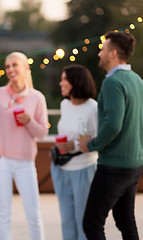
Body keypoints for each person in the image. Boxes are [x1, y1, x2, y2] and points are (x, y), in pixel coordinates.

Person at [79, 31, 143, 240]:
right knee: (125, 221)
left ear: (113, 53)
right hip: (134, 163)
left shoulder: (112, 82)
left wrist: (92, 144)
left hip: (114, 166)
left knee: (92, 223)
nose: (99, 54)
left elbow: (113, 125)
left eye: (103, 49)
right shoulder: (137, 80)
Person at [0, 52, 49, 240]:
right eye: (7, 66)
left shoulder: (37, 98)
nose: (10, 69)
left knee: (33, 213)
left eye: (14, 65)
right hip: (0, 160)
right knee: (4, 213)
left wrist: (29, 121)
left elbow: (42, 133)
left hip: (25, 162)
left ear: (26, 68)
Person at [51, 65, 98, 240]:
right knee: (67, 221)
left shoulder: (93, 107)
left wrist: (75, 146)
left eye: (65, 79)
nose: (60, 82)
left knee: (84, 221)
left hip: (84, 169)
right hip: (61, 169)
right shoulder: (64, 104)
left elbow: (99, 140)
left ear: (76, 82)